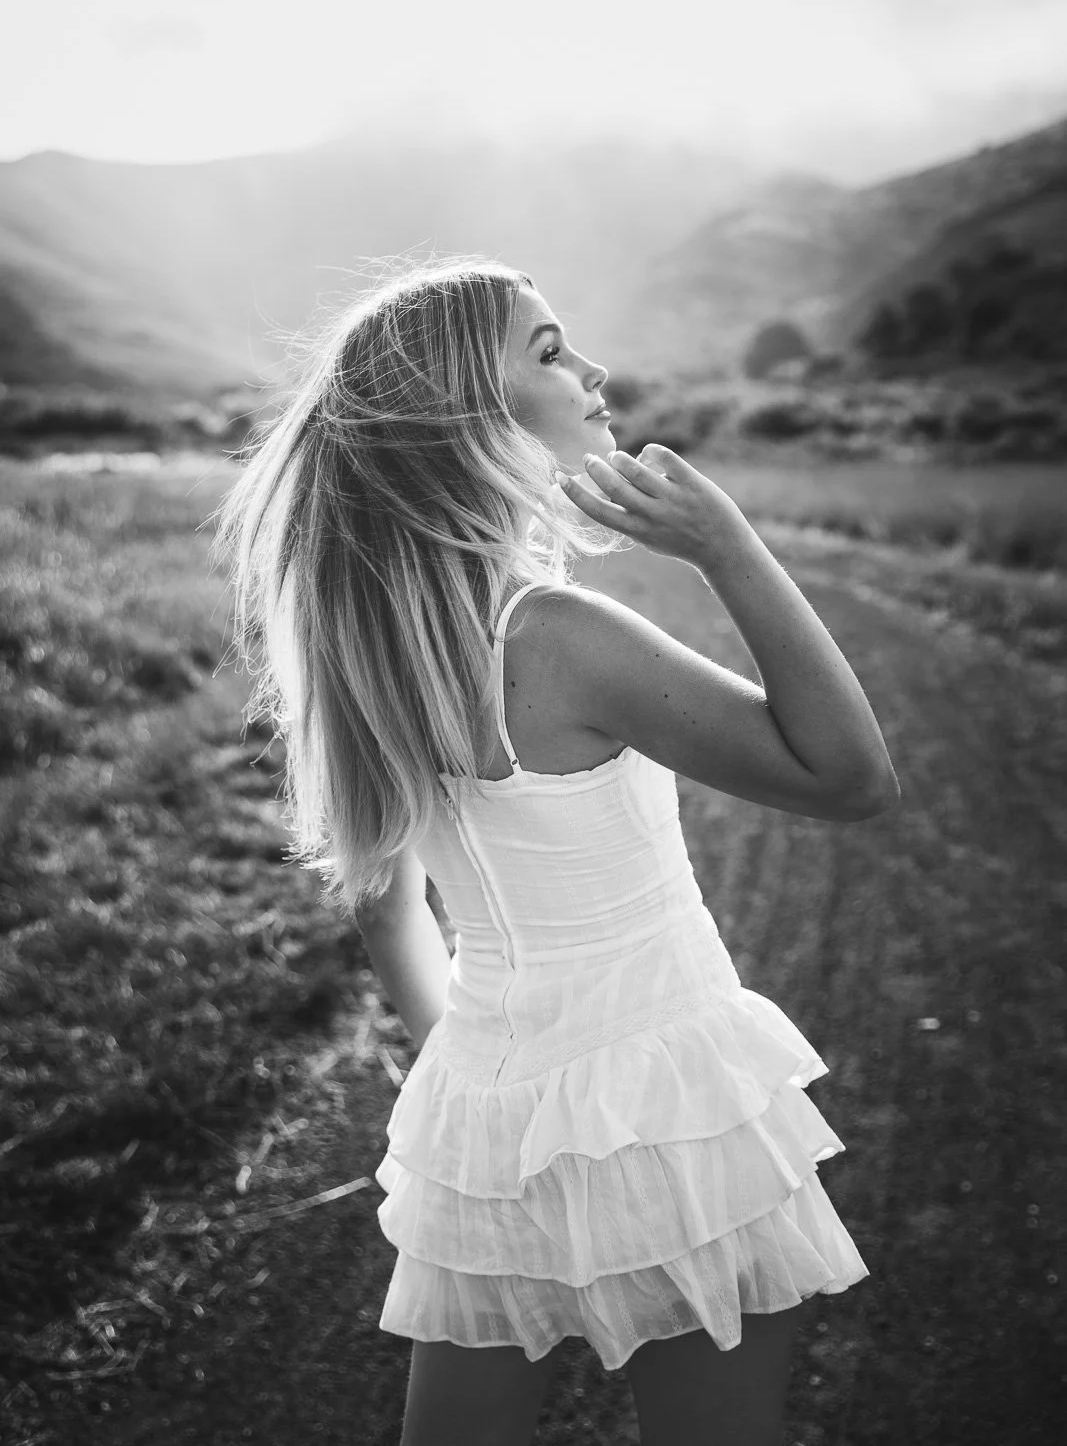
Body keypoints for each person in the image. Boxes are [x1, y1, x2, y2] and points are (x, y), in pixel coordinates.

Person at [213, 256, 899, 1446]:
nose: (590, 375)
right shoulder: (556, 634)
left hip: (484, 1113)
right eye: (547, 352)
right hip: (666, 1105)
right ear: (472, 421)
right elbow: (850, 779)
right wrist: (724, 542)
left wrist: (484, 1087)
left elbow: (388, 912)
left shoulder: (369, 650)